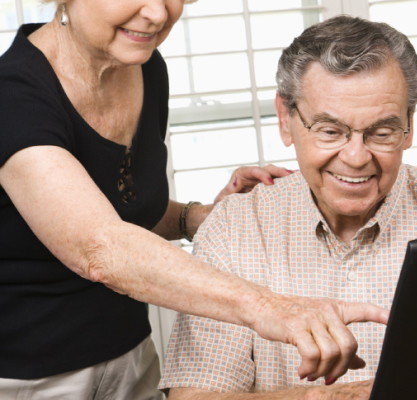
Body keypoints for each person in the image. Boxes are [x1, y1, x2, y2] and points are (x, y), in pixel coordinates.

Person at [0, 2, 391, 399]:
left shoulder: (143, 65)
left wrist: (198, 218)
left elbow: (119, 207)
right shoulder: (11, 96)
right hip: (30, 378)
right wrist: (275, 310)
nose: (156, 13)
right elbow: (99, 246)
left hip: (131, 358)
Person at [160, 14, 417, 400]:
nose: (355, 157)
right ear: (286, 120)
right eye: (330, 131)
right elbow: (194, 397)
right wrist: (330, 398)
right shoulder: (234, 229)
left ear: (410, 126)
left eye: (382, 132)